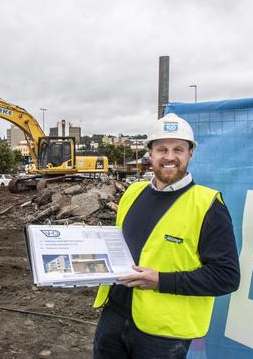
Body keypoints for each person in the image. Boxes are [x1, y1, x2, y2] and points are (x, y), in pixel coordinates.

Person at [92, 113, 240, 359]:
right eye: (162, 149)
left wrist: (161, 280)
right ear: (149, 153)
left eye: (178, 149)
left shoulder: (207, 205)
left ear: (190, 153)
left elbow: (226, 277)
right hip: (114, 317)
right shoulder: (133, 192)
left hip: (164, 334)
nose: (170, 157)